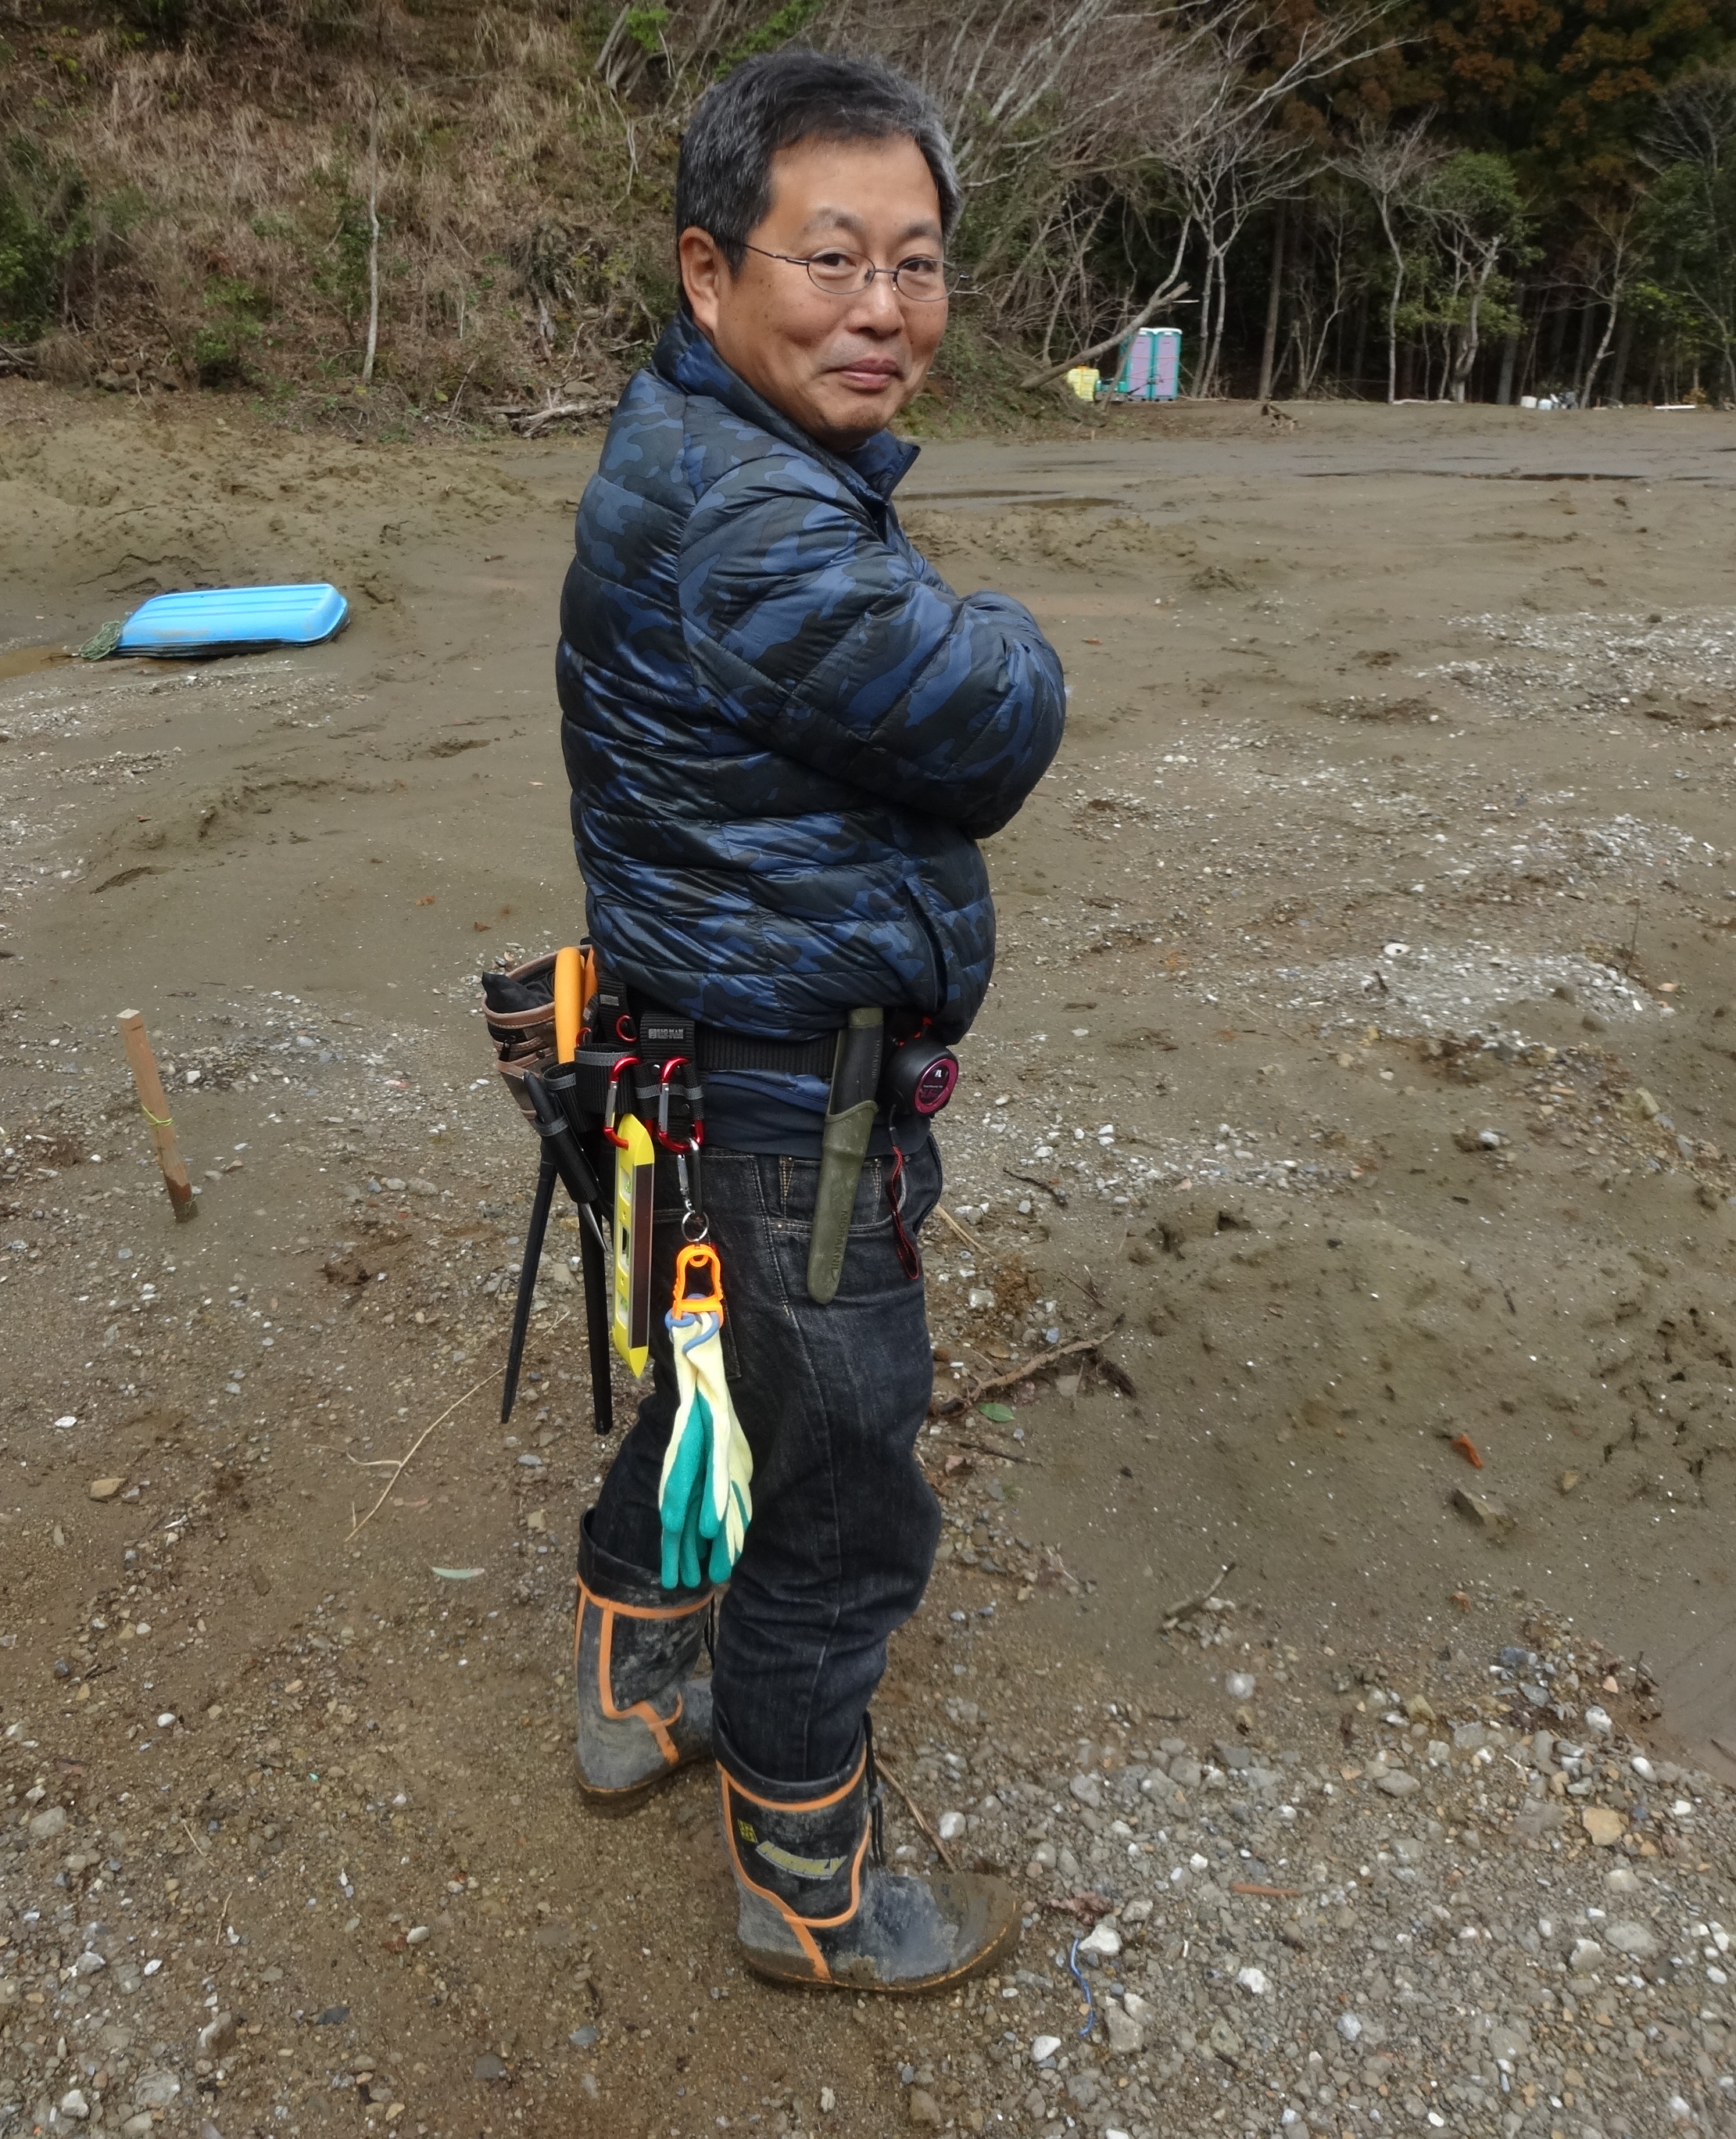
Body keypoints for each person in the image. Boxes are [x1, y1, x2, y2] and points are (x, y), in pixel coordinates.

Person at [553, 48, 1065, 1994]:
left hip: (707, 1058)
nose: (883, 310)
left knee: (722, 1380)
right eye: (831, 259)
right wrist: (1006, 624)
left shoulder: (713, 451)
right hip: (789, 1097)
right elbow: (996, 720)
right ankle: (807, 1879)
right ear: (709, 275)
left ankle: (632, 1666)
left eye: (918, 265)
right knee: (845, 1485)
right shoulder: (759, 522)